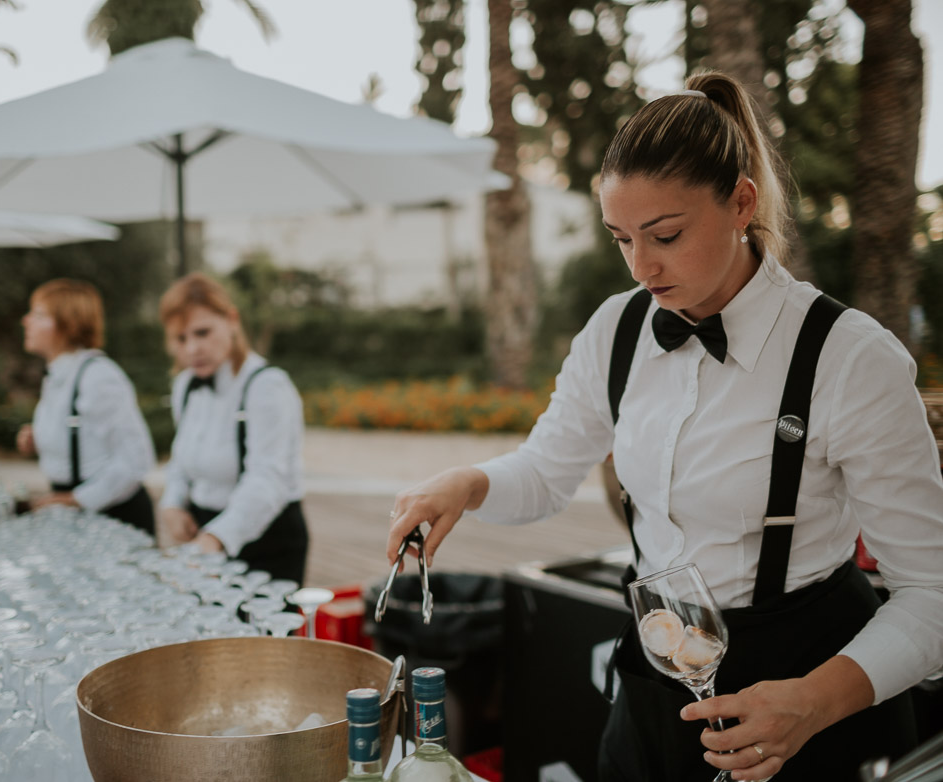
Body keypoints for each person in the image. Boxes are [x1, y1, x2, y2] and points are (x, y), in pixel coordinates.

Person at [386, 71, 943, 782]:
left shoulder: (849, 356)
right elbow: (548, 470)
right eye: (620, 239)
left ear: (742, 201)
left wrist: (809, 703)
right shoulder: (615, 329)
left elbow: (930, 595)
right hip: (655, 687)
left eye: (666, 235)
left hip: (809, 700)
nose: (641, 267)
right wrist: (466, 483)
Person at [157, 273, 310, 585]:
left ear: (232, 320)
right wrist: (172, 503)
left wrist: (216, 539)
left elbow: (267, 480)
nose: (192, 349)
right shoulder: (185, 385)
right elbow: (181, 460)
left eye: (202, 332)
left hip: (267, 540)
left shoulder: (267, 386)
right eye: (181, 339)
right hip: (204, 532)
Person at [16, 279, 156, 534]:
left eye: (38, 314)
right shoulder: (58, 374)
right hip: (76, 515)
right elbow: (82, 436)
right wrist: (40, 440)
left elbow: (136, 460)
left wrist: (75, 500)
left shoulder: (98, 377)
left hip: (114, 518)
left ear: (67, 324)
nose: (26, 321)